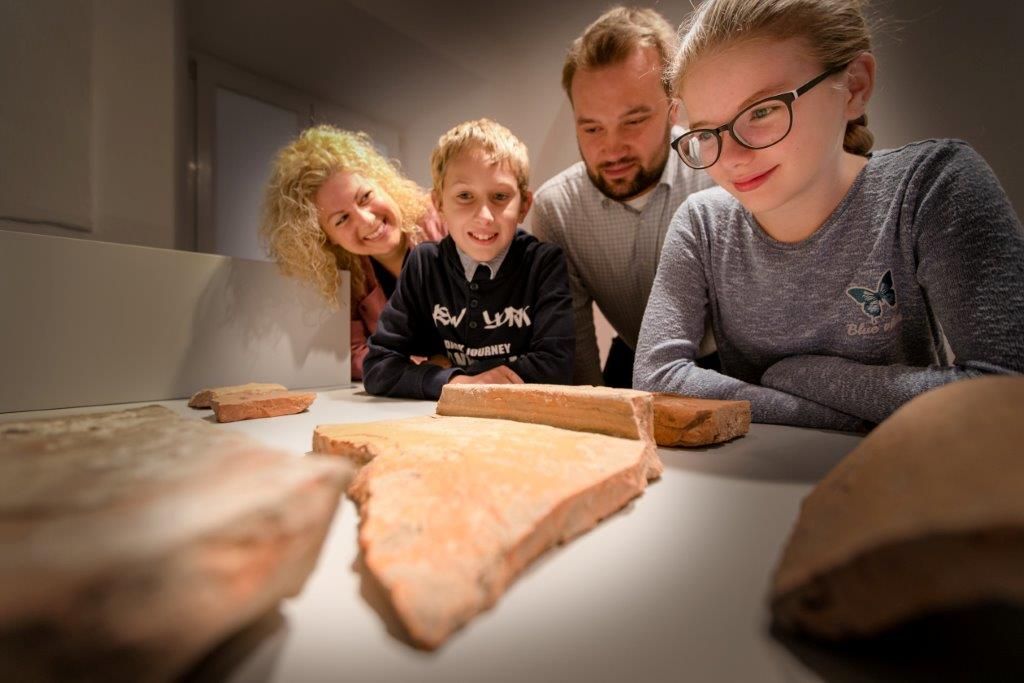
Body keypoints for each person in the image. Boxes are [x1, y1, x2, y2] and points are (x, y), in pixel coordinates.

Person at [634, 0, 1024, 430]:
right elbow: (656, 379)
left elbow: (1006, 392)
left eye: (762, 111)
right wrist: (831, 414)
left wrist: (799, 376)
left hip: (908, 466)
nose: (732, 158)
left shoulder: (932, 184)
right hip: (758, 469)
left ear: (854, 87)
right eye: (707, 133)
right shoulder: (703, 223)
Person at [531, 6, 716, 388]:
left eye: (633, 121)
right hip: (631, 355)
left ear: (673, 108)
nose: (612, 149)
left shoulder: (719, 173)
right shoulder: (556, 210)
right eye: (592, 128)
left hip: (731, 358)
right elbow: (577, 357)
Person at [362, 119, 574, 400]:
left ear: (524, 205)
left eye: (500, 196)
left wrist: (455, 374)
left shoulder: (543, 264)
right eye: (464, 196)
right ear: (439, 203)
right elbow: (378, 367)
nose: (484, 216)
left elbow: (557, 368)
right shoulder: (423, 265)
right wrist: (456, 380)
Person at [260, 125, 446, 381]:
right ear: (325, 237)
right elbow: (355, 354)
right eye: (342, 219)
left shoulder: (445, 217)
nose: (366, 221)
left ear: (383, 184)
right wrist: (424, 368)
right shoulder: (347, 276)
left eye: (365, 197)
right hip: (416, 395)